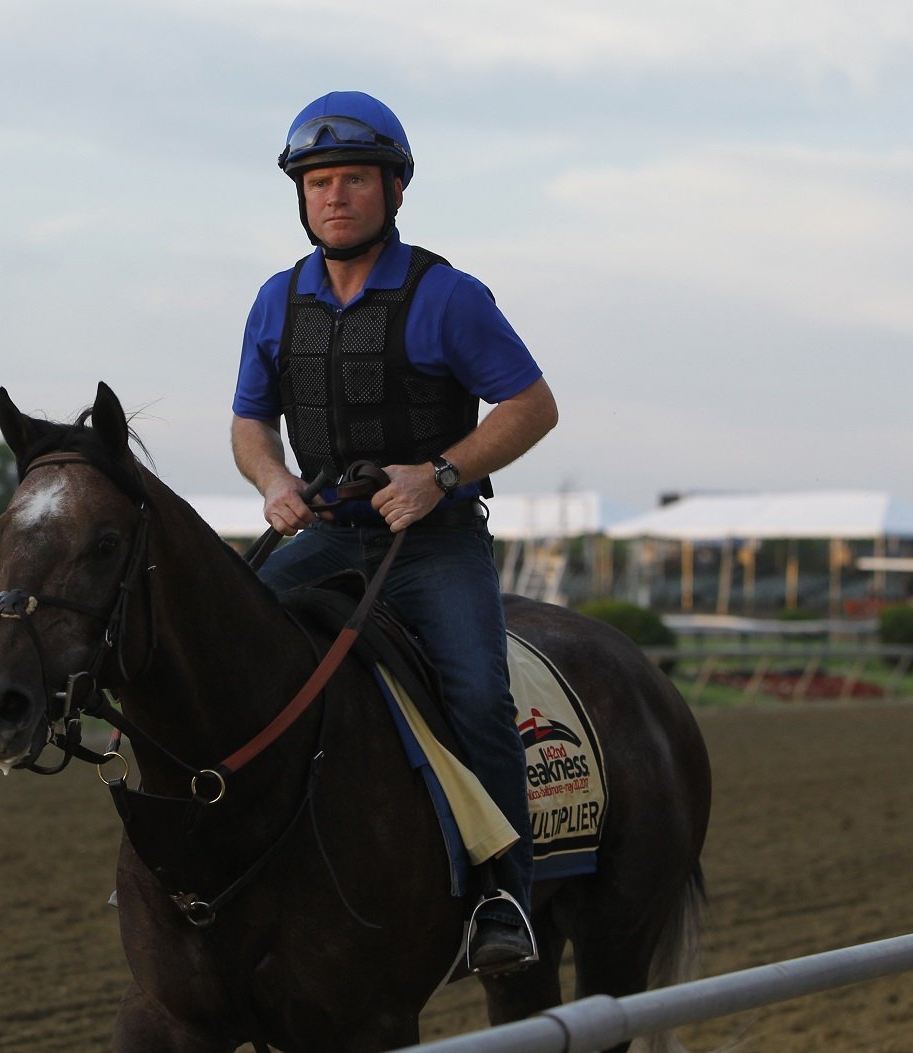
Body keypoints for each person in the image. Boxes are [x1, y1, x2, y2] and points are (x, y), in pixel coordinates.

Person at [230, 91, 558, 973]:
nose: (335, 196)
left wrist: (439, 474)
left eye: (354, 180)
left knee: (478, 694)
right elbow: (250, 424)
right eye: (319, 182)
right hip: (328, 538)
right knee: (220, 648)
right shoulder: (274, 302)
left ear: (395, 189)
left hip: (434, 543)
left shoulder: (448, 295)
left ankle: (502, 896)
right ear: (301, 197)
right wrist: (274, 482)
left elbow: (532, 405)